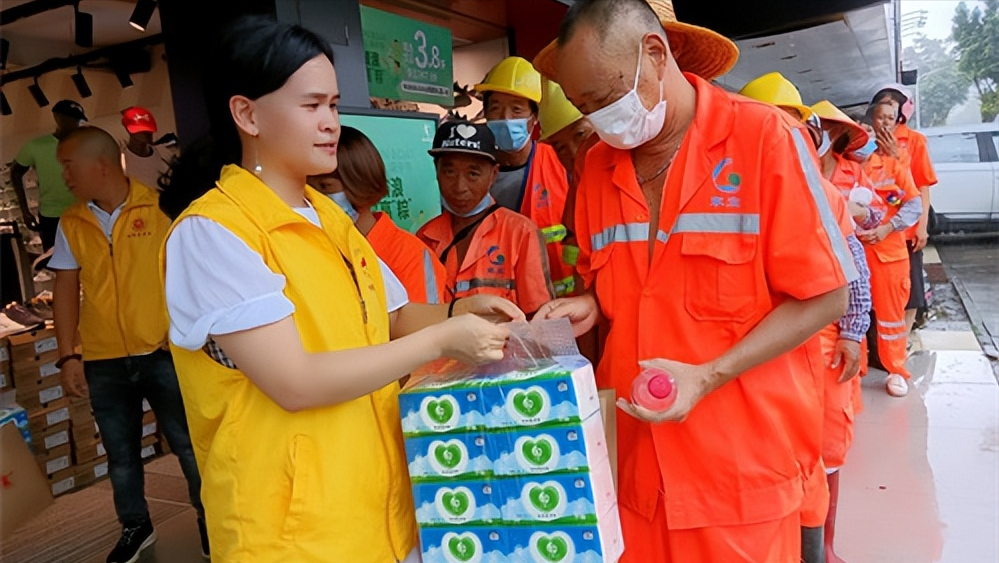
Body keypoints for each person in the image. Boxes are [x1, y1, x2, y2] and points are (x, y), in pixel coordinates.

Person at [157, 15, 522, 563]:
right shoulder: (212, 232)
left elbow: (392, 316)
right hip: (291, 534)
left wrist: (457, 308)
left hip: (377, 511)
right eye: (311, 106)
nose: (330, 122)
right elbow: (295, 381)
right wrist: (446, 338)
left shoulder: (329, 215)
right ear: (246, 113)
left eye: (333, 103)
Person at [536, 1, 854, 561]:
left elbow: (827, 294)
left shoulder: (764, 139)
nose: (599, 120)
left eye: (607, 99)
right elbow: (618, 284)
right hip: (634, 473)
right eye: (585, 108)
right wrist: (588, 304)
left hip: (741, 478)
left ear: (654, 56)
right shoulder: (598, 171)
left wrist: (709, 375)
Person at [49, 126, 208, 563]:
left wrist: (181, 330)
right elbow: (65, 287)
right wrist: (68, 354)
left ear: (101, 164)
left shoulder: (160, 208)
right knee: (120, 457)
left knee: (190, 448)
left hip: (164, 353)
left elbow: (192, 271)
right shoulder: (71, 222)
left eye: (68, 165)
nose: (63, 175)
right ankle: (136, 527)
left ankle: (209, 523)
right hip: (104, 359)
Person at [738, 71, 875, 563]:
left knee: (824, 456)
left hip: (822, 347)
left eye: (791, 125)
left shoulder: (826, 195)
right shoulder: (734, 195)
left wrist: (854, 334)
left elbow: (853, 276)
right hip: (762, 356)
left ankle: (822, 548)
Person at [417, 120, 555, 316]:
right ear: (437, 172)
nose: (459, 186)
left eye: (473, 174)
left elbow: (540, 317)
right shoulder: (424, 238)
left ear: (493, 174)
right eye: (449, 172)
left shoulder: (521, 233)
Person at [306, 126, 447, 305]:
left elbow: (426, 327)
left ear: (360, 183)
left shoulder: (410, 256)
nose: (314, 198)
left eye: (325, 187)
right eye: (307, 189)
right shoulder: (313, 248)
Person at [473, 56, 576, 297]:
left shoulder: (561, 161)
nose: (505, 118)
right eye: (496, 107)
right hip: (501, 306)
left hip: (561, 305)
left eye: (516, 109)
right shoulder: (474, 174)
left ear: (535, 117)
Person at [855, 102, 923, 397]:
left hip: (887, 255)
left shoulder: (894, 165)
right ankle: (854, 369)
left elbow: (912, 205)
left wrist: (885, 228)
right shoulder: (844, 167)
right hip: (854, 253)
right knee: (852, 314)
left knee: (891, 318)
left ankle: (897, 369)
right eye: (865, 130)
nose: (871, 134)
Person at [870, 84, 938, 333]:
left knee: (910, 290)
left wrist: (921, 226)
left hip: (905, 230)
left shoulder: (914, 141)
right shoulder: (866, 138)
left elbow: (922, 186)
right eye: (882, 112)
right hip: (874, 232)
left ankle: (902, 338)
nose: (887, 119)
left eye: (892, 112)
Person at [11, 99, 87, 253]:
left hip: (85, 211)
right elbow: (15, 172)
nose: (75, 123)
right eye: (71, 119)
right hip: (52, 215)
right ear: (58, 118)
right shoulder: (37, 146)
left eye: (77, 120)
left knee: (91, 259)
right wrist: (25, 210)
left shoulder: (86, 144)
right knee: (57, 262)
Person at [120, 106, 176, 192]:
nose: (147, 133)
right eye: (141, 130)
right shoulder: (121, 160)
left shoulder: (164, 152)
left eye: (148, 129)